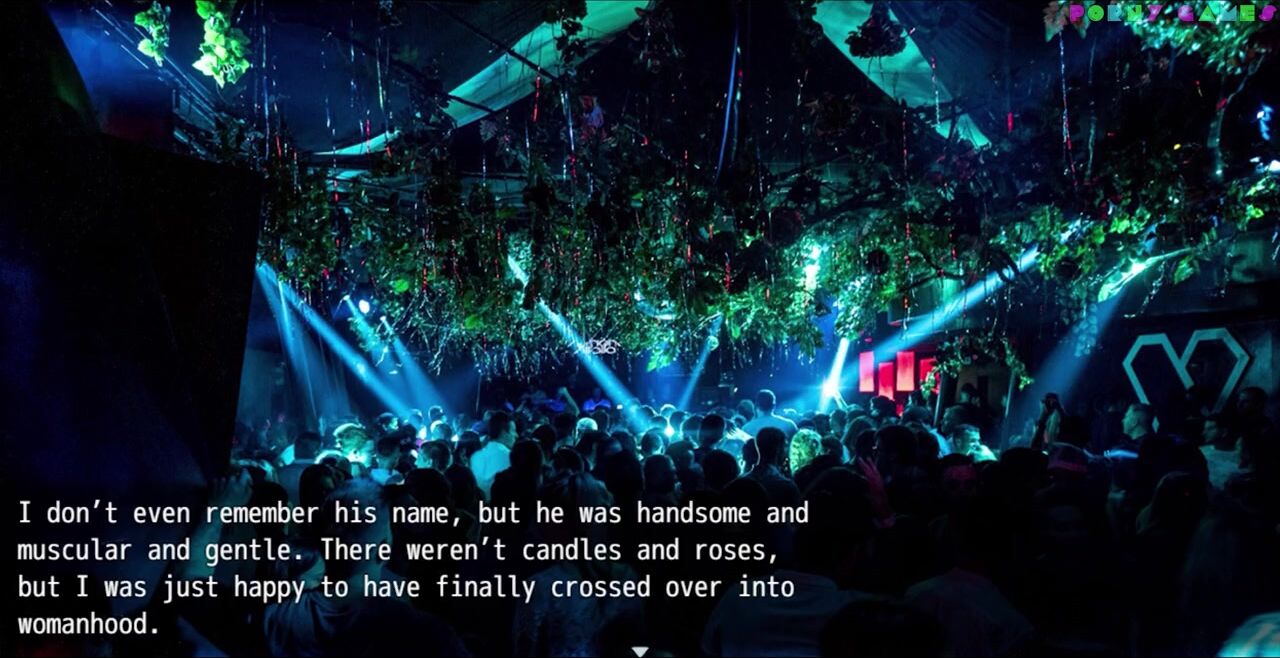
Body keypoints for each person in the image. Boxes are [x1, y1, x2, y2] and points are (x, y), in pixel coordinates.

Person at [746, 427, 802, 508]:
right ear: (778, 449)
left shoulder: (743, 481)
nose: (788, 450)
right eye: (785, 446)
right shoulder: (785, 486)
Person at [471, 411, 515, 497]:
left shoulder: (475, 456)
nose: (516, 435)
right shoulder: (511, 457)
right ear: (504, 433)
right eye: (513, 431)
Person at [278, 431, 321, 505]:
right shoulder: (324, 473)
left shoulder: (280, 473)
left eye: (305, 446)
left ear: (295, 447)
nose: (302, 448)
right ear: (317, 450)